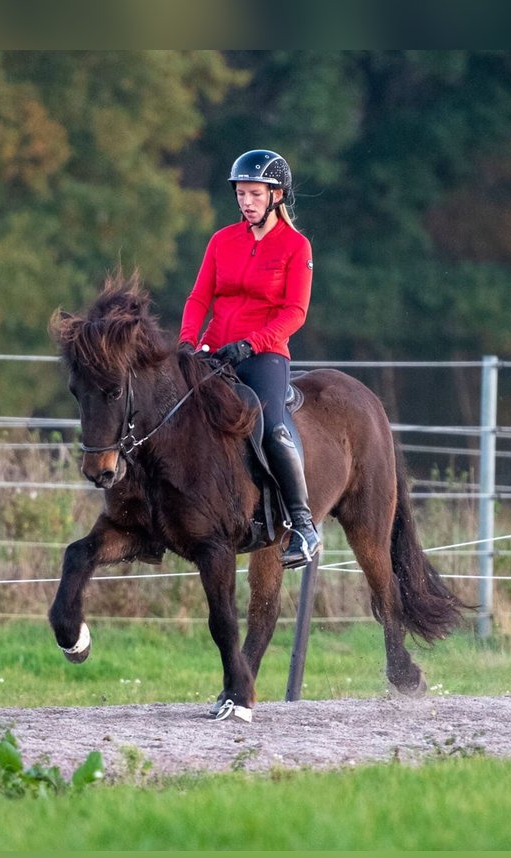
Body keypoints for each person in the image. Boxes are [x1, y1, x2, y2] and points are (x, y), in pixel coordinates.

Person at [178, 149, 320, 569]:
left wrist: (253, 343)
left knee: (273, 425)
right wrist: (188, 342)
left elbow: (295, 312)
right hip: (213, 349)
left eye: (255, 194)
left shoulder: (296, 246)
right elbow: (199, 296)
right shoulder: (222, 240)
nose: (246, 201)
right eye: (241, 194)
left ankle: (303, 524)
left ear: (277, 195)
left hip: (265, 355)